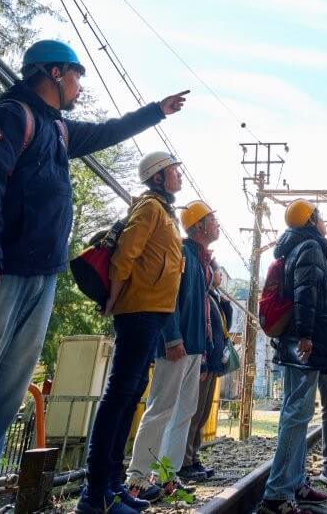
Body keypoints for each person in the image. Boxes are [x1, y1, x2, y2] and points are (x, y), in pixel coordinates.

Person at [0, 40, 187, 514]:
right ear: (53, 73)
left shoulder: (59, 130)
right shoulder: (10, 117)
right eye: (76, 75)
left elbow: (108, 131)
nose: (79, 85)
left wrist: (156, 111)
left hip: (39, 279)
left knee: (3, 400)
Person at [76, 154, 189, 513]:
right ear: (157, 177)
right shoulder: (150, 208)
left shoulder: (165, 212)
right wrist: (114, 294)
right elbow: (127, 252)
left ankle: (112, 485)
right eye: (173, 170)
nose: (178, 174)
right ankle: (94, 496)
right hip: (136, 309)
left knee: (130, 394)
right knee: (119, 395)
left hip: (151, 310)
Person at [125, 199, 220, 499]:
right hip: (175, 345)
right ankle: (138, 477)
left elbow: (201, 307)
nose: (217, 224)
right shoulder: (180, 251)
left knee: (184, 411)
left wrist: (202, 351)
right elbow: (167, 295)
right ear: (199, 226)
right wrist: (171, 336)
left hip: (193, 347)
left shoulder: (201, 259)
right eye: (212, 219)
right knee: (161, 409)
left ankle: (167, 474)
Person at [255, 200, 327, 514]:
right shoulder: (310, 247)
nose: (324, 222)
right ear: (311, 220)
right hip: (305, 342)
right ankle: (278, 494)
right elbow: (306, 293)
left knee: (296, 413)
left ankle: (295, 483)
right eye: (319, 217)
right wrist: (307, 335)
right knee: (296, 414)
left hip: (295, 341)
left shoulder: (295, 247)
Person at [182, 262, 233, 481]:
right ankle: (184, 461)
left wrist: (227, 307)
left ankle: (194, 457)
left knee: (202, 414)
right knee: (193, 413)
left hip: (213, 364)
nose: (220, 275)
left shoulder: (213, 299)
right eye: (218, 271)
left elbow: (223, 329)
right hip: (204, 363)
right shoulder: (203, 297)